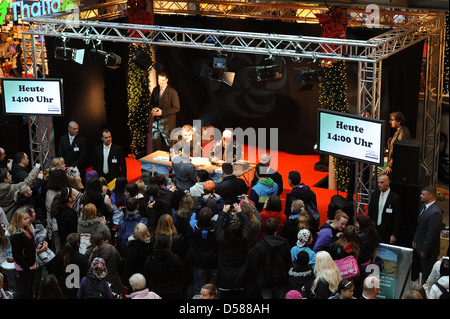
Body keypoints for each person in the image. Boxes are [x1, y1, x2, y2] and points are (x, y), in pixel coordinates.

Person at [215, 203, 250, 299]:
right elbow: (247, 223)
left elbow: (218, 225)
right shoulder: (244, 239)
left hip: (224, 278)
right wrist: (240, 211)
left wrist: (223, 212)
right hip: (241, 278)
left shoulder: (221, 239)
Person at [250, 218, 291, 299]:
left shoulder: (259, 246)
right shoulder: (284, 245)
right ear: (276, 230)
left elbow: (255, 265)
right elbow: (288, 263)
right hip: (280, 280)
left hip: (264, 281)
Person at [412, 186, 443, 282]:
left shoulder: (435, 213)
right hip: (419, 247)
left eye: (423, 194)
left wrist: (425, 250)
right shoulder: (424, 206)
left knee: (427, 278)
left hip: (428, 252)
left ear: (430, 196)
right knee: (417, 274)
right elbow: (419, 227)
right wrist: (415, 240)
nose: (420, 196)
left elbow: (432, 234)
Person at [188, 206, 219, 297]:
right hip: (213, 262)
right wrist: (219, 201)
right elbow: (223, 218)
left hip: (199, 263)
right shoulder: (217, 228)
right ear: (211, 219)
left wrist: (201, 201)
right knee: (213, 291)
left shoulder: (194, 226)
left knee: (199, 291)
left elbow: (191, 214)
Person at [8, 207, 38, 299]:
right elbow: (16, 254)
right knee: (24, 290)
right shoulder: (16, 235)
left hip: (30, 263)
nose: (28, 220)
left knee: (29, 288)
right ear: (18, 220)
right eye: (25, 219)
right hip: (24, 266)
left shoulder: (27, 228)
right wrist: (26, 267)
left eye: (28, 218)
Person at [48, 232, 89, 299]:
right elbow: (85, 275)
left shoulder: (60, 254)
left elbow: (54, 270)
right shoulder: (81, 258)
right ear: (78, 244)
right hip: (76, 288)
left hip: (62, 286)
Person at [143, 234, 185, 299]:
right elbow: (182, 275)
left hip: (154, 292)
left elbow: (146, 276)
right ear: (168, 245)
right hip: (173, 291)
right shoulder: (175, 259)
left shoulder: (150, 259)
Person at [86, 230, 123, 297]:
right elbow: (119, 263)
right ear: (103, 239)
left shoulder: (88, 253)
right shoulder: (112, 249)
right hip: (114, 284)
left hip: (96, 288)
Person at [150, 72, 180, 152]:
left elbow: (176, 108)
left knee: (171, 146)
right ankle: (157, 163)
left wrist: (162, 112)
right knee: (156, 147)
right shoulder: (155, 90)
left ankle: (173, 163)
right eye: (159, 80)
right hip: (156, 123)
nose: (161, 82)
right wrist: (153, 109)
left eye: (163, 80)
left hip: (168, 124)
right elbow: (151, 104)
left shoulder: (172, 92)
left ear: (167, 80)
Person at [368, 173, 402, 244]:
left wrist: (394, 234)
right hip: (374, 231)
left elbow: (397, 218)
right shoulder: (375, 195)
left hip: (387, 232)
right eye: (378, 182)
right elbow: (370, 212)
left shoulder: (395, 198)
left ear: (388, 183)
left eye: (382, 182)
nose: (379, 184)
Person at [121, 223, 154, 292]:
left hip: (136, 279)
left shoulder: (133, 248)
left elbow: (128, 266)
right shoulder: (152, 245)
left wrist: (125, 282)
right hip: (149, 277)